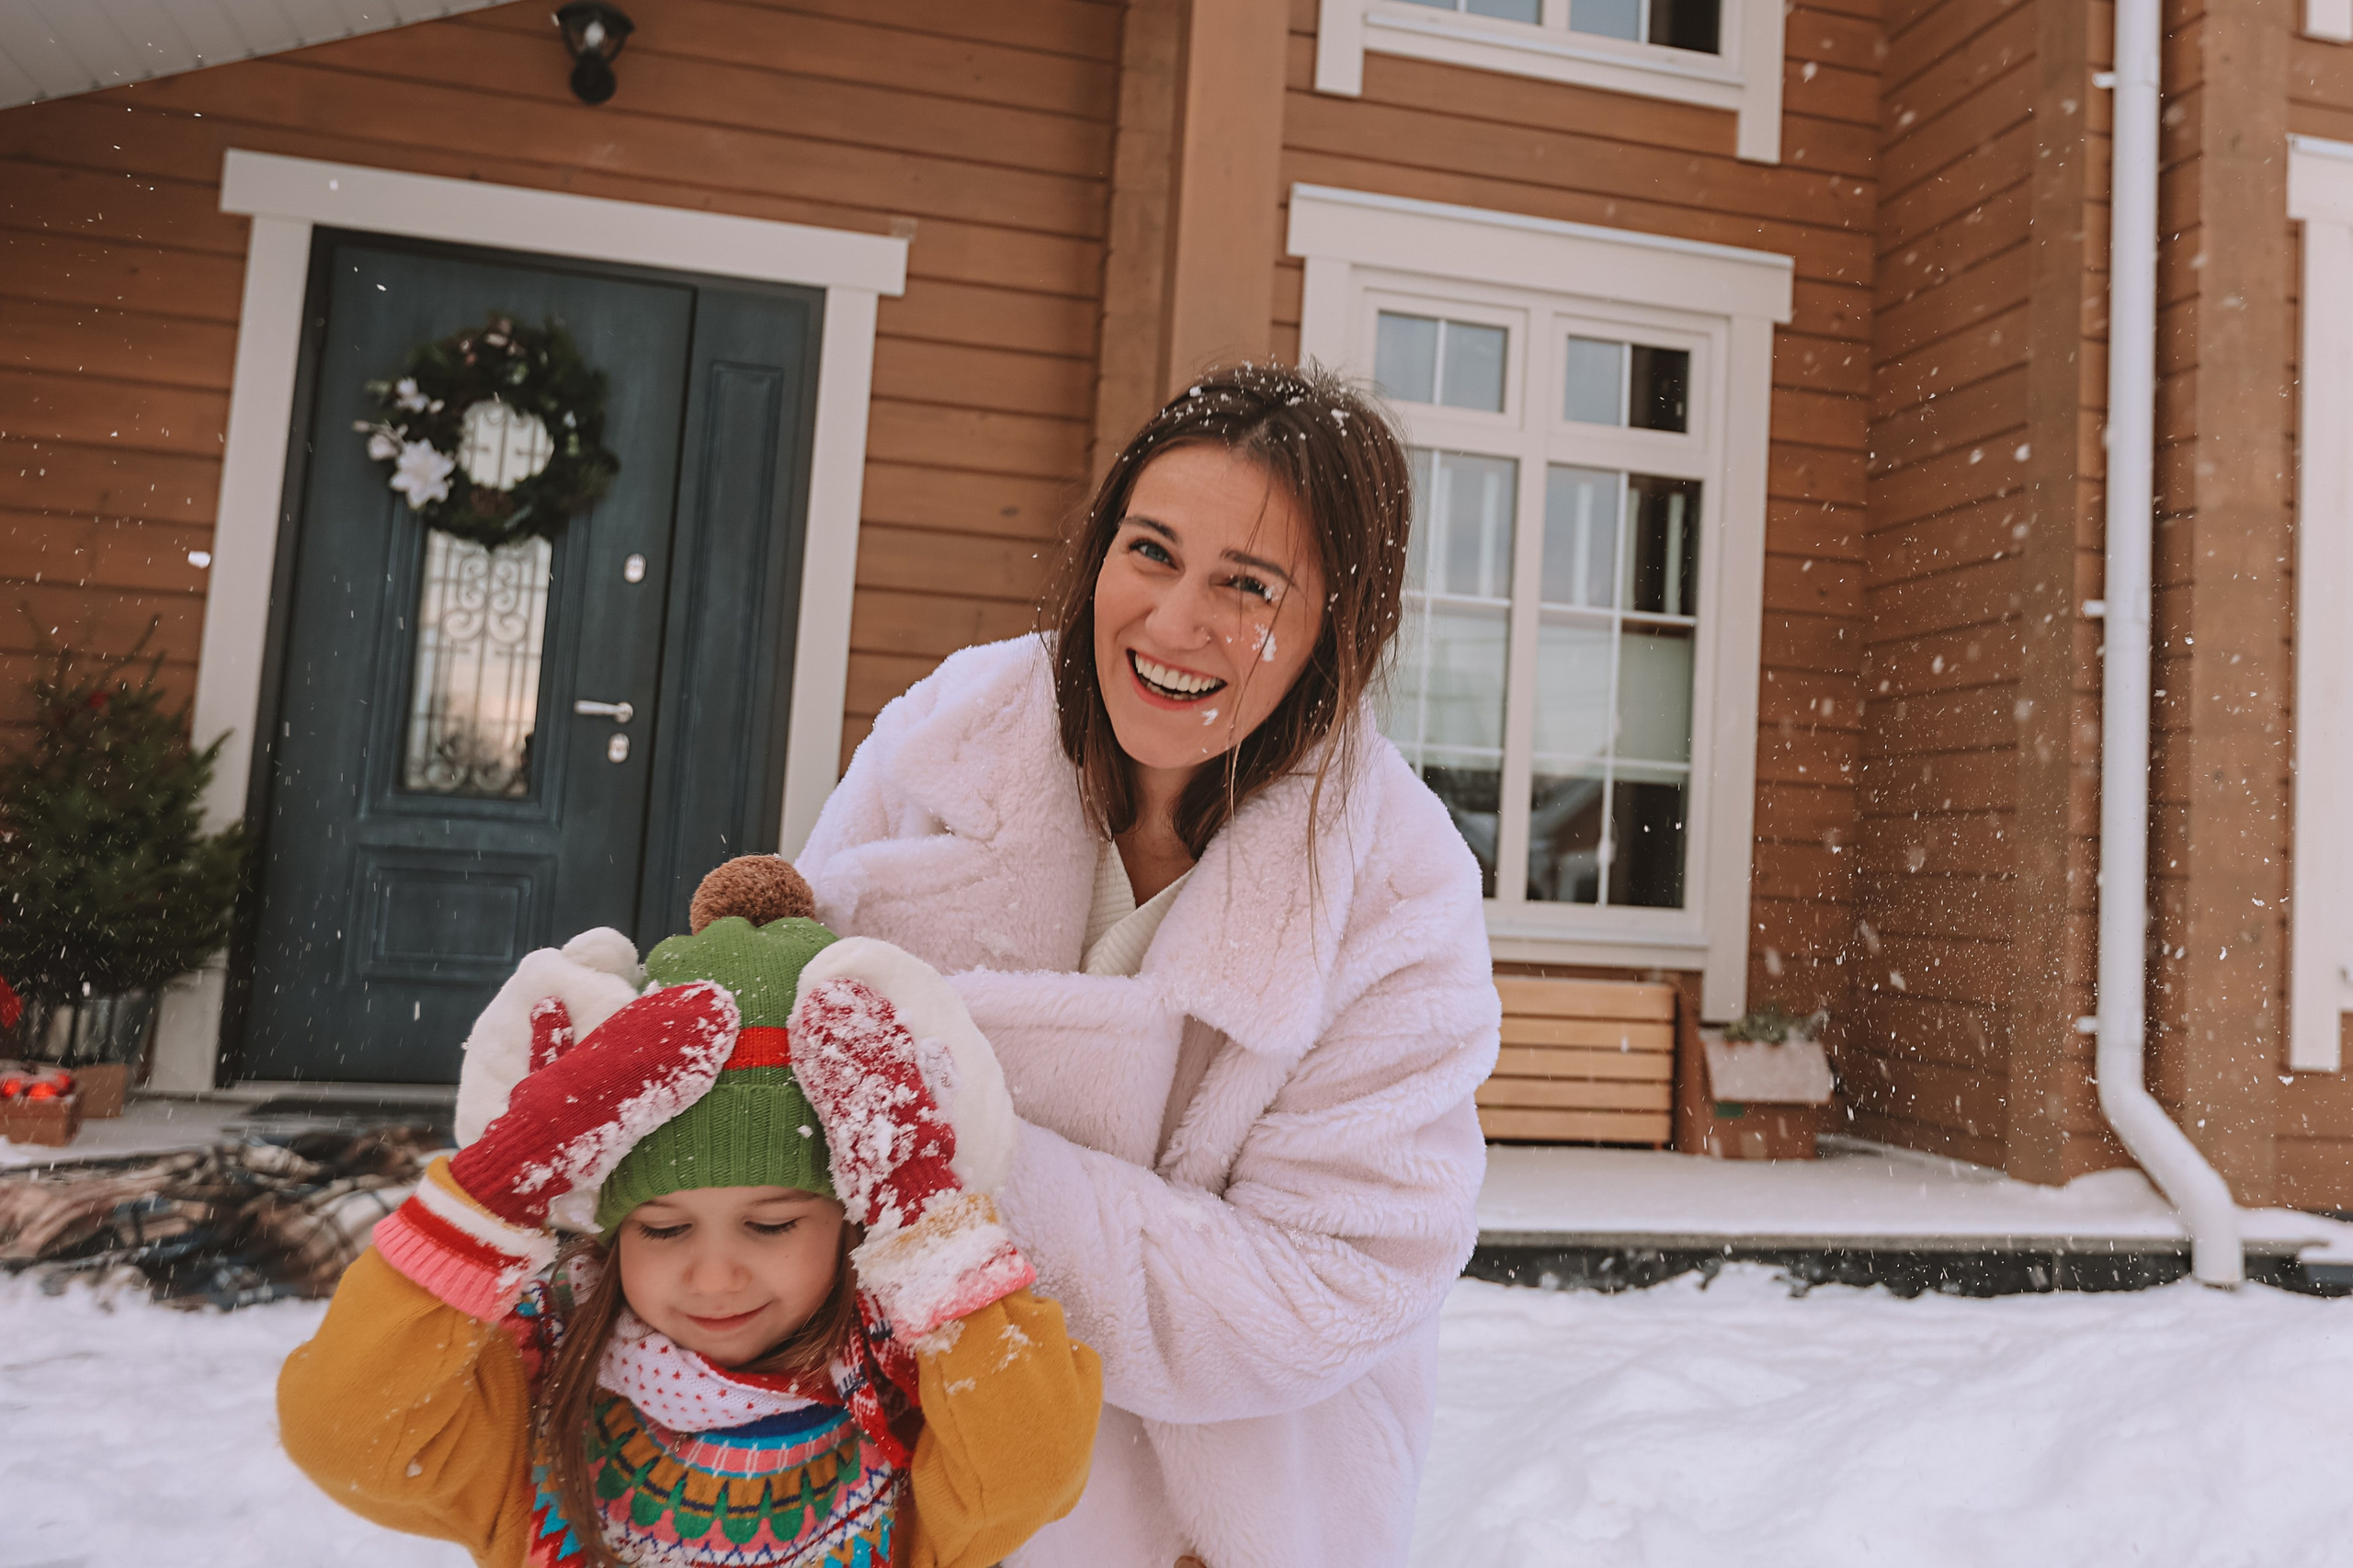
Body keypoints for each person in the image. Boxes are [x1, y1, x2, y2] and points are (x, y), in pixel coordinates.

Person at [795, 363, 1502, 1568]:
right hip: (897, 1476)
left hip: (1215, 1506)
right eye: (1152, 551)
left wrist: (951, 1159)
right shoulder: (949, 733)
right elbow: (793, 1041)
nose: (1177, 622)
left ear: (1340, 615)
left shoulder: (1398, 884)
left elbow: (1323, 1284)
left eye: (1248, 584)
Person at [278, 871, 1102, 1568]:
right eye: (664, 1230)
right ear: (610, 1231)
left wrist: (924, 1218)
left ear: (853, 1224)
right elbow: (347, 1436)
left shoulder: (917, 1413)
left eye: (772, 1225)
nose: (713, 1277)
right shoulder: (538, 1397)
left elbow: (1033, 1469)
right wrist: (503, 1181)